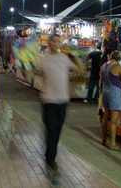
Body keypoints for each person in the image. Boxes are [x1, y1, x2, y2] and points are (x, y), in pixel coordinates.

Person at [39, 33, 85, 171]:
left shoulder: (65, 59)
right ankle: (51, 158)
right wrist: (24, 67)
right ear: (49, 43)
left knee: (57, 131)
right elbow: (31, 74)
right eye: (54, 41)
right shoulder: (43, 59)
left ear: (61, 43)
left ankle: (50, 152)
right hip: (48, 101)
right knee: (52, 130)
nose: (56, 43)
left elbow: (81, 71)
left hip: (63, 101)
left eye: (59, 41)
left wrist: (76, 56)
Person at [100, 50, 121, 151]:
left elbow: (101, 81)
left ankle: (103, 140)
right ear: (119, 58)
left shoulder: (104, 65)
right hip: (114, 93)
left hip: (105, 92)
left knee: (105, 116)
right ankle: (112, 144)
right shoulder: (117, 66)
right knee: (114, 120)